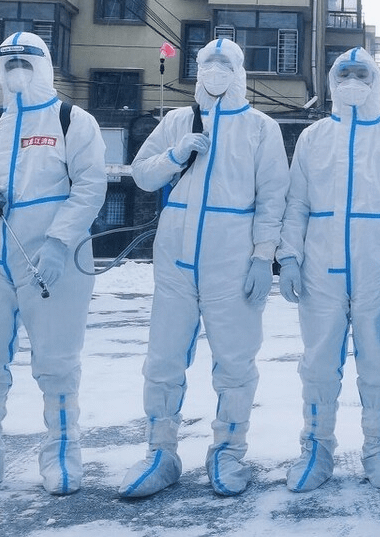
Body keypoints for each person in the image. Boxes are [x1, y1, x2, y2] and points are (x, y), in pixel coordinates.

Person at [0, 32, 107, 497]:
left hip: (54, 263)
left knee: (56, 359)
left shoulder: (73, 121)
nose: (16, 71)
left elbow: (90, 187)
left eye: (26, 62)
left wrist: (57, 243)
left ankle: (62, 450)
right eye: (7, 62)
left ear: (45, 66)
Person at [119, 38, 289, 498]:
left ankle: (229, 451)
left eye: (225, 63)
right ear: (197, 70)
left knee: (235, 360)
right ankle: (160, 451)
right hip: (175, 257)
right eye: (208, 62)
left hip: (231, 260)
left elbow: (273, 198)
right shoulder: (176, 120)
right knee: (163, 357)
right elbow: (141, 173)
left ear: (239, 71)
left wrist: (262, 257)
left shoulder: (260, 128)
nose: (216, 70)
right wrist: (176, 153)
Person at [277, 47, 380, 492]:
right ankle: (316, 449)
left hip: (378, 265)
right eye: (345, 73)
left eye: (362, 73)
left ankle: (379, 449)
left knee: (379, 360)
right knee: (319, 360)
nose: (353, 80)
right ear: (331, 80)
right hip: (322, 265)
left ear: (376, 79)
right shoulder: (314, 138)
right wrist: (288, 257)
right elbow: (297, 203)